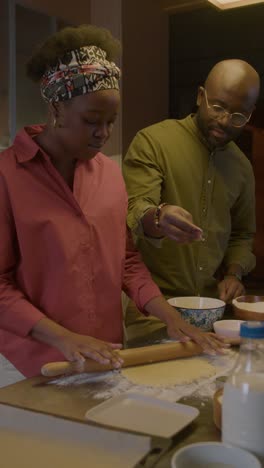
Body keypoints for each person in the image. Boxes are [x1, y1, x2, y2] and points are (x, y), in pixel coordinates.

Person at [0, 25, 226, 385]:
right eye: (92, 121)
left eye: (111, 121)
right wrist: (63, 337)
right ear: (57, 107)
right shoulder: (7, 176)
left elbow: (127, 261)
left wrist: (170, 316)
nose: (103, 133)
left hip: (105, 354)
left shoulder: (108, 174)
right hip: (31, 364)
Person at [123, 59, 260, 340]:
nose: (224, 121)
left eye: (238, 116)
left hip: (212, 314)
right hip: (153, 313)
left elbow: (242, 234)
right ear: (200, 97)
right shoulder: (153, 142)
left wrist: (233, 274)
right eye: (218, 107)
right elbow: (135, 210)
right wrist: (159, 217)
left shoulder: (242, 167)